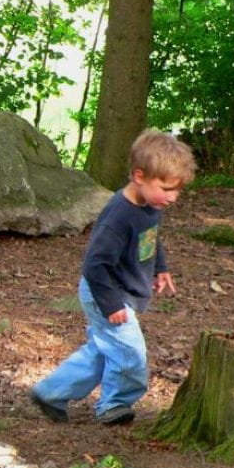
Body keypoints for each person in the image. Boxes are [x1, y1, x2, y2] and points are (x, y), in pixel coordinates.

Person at [30, 130, 196, 425]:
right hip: (105, 293)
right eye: (167, 188)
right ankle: (114, 405)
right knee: (130, 352)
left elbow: (151, 238)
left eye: (177, 190)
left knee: (103, 350)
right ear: (139, 175)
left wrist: (161, 268)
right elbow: (95, 265)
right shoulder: (119, 215)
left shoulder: (150, 206)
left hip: (121, 294)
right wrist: (111, 305)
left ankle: (52, 392)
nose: (173, 198)